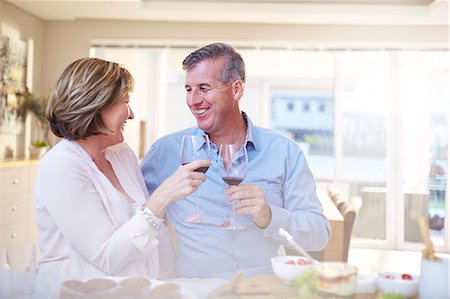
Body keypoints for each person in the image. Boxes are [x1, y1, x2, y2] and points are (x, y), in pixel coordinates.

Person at [140, 43, 330, 279]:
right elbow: (137, 220)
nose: (193, 100)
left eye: (204, 88)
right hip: (195, 290)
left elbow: (319, 235)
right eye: (189, 89)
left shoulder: (284, 152)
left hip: (265, 289)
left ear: (237, 89)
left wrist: (269, 217)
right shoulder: (166, 152)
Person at [34, 57, 210, 280]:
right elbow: (108, 257)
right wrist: (163, 197)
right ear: (96, 106)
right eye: (125, 102)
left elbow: (157, 236)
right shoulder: (61, 166)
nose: (131, 113)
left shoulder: (121, 154)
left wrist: (170, 285)